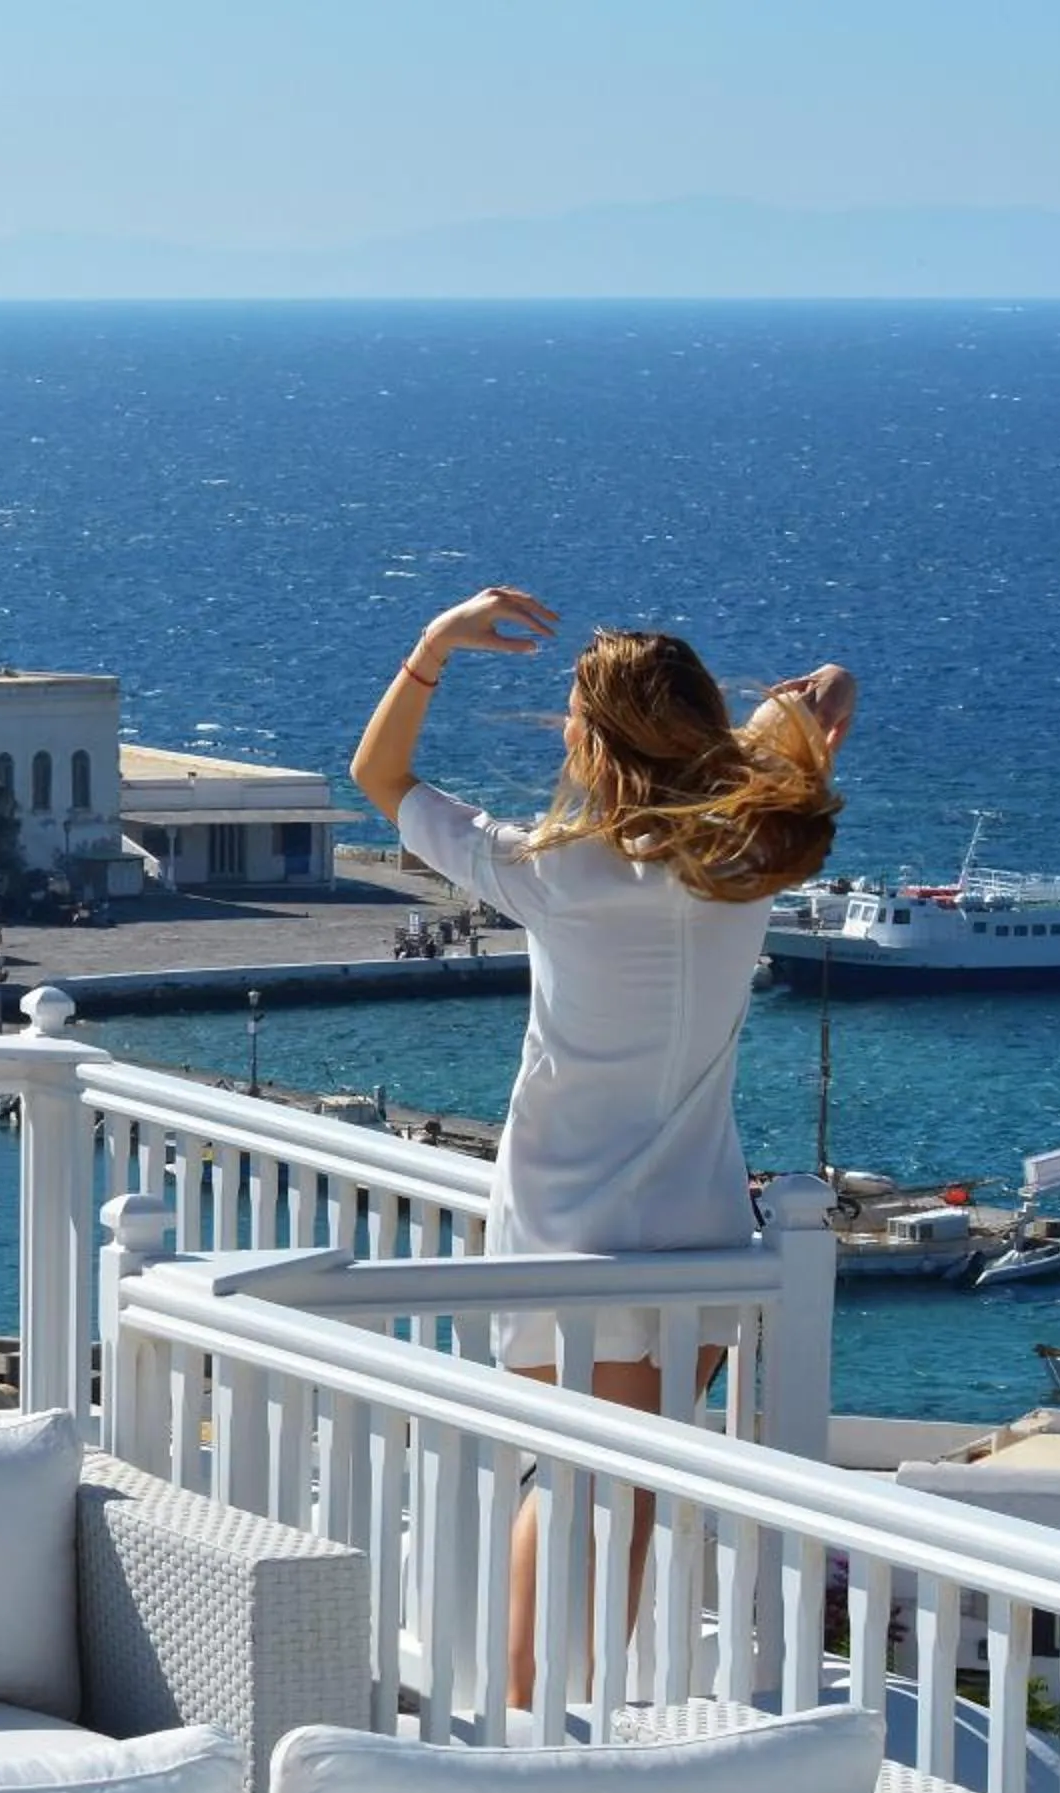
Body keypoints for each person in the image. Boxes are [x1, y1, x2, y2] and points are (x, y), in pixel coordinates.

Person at [351, 586, 855, 1705]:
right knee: (621, 1498)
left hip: (564, 1230)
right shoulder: (751, 857)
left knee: (570, 1478)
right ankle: (577, 1709)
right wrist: (770, 727)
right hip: (702, 1235)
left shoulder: (547, 867)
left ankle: (535, 1725)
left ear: (590, 738)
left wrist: (435, 645)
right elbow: (828, 697)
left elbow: (379, 779)